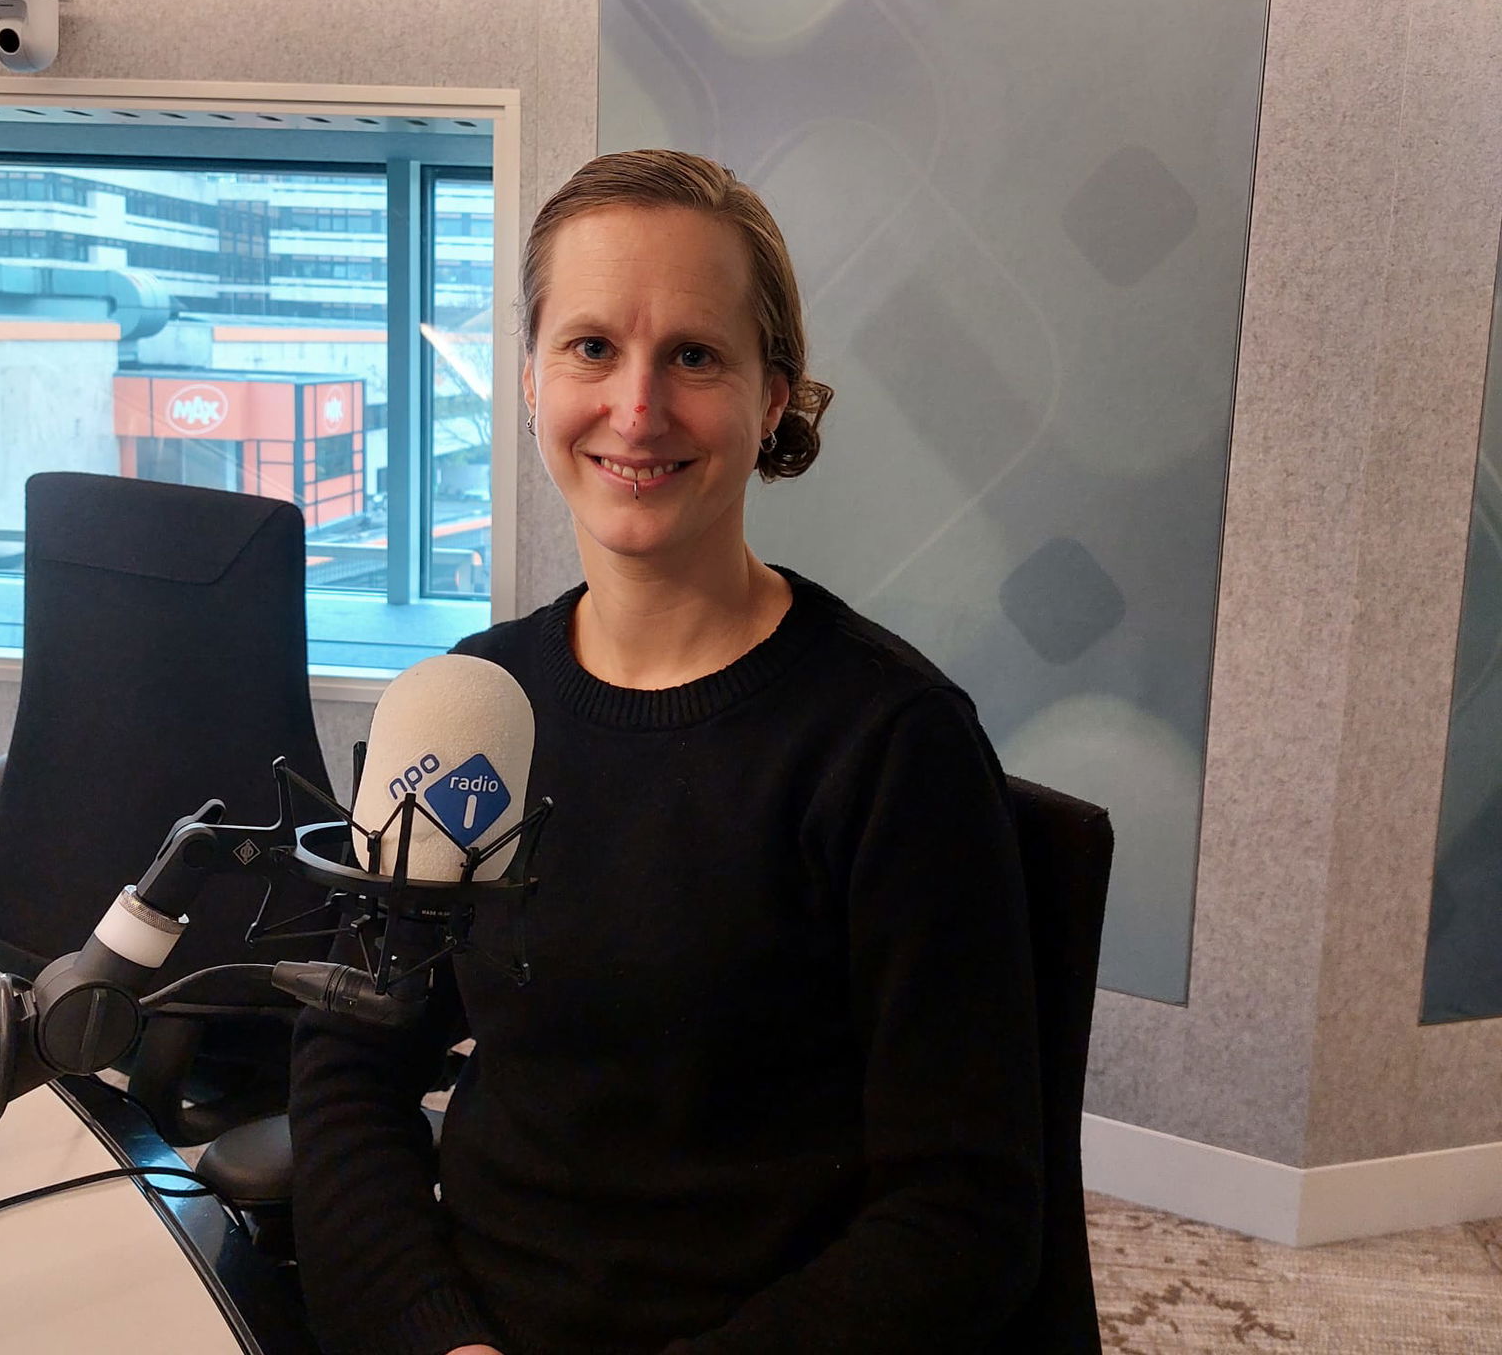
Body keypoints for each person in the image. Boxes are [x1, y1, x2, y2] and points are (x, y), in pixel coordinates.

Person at [289, 150, 1043, 1355]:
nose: (636, 410)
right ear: (530, 380)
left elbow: (964, 1209)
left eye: (693, 355)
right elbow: (350, 1058)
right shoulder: (474, 706)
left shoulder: (889, 743)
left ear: (772, 399)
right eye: (591, 346)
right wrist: (433, 1337)